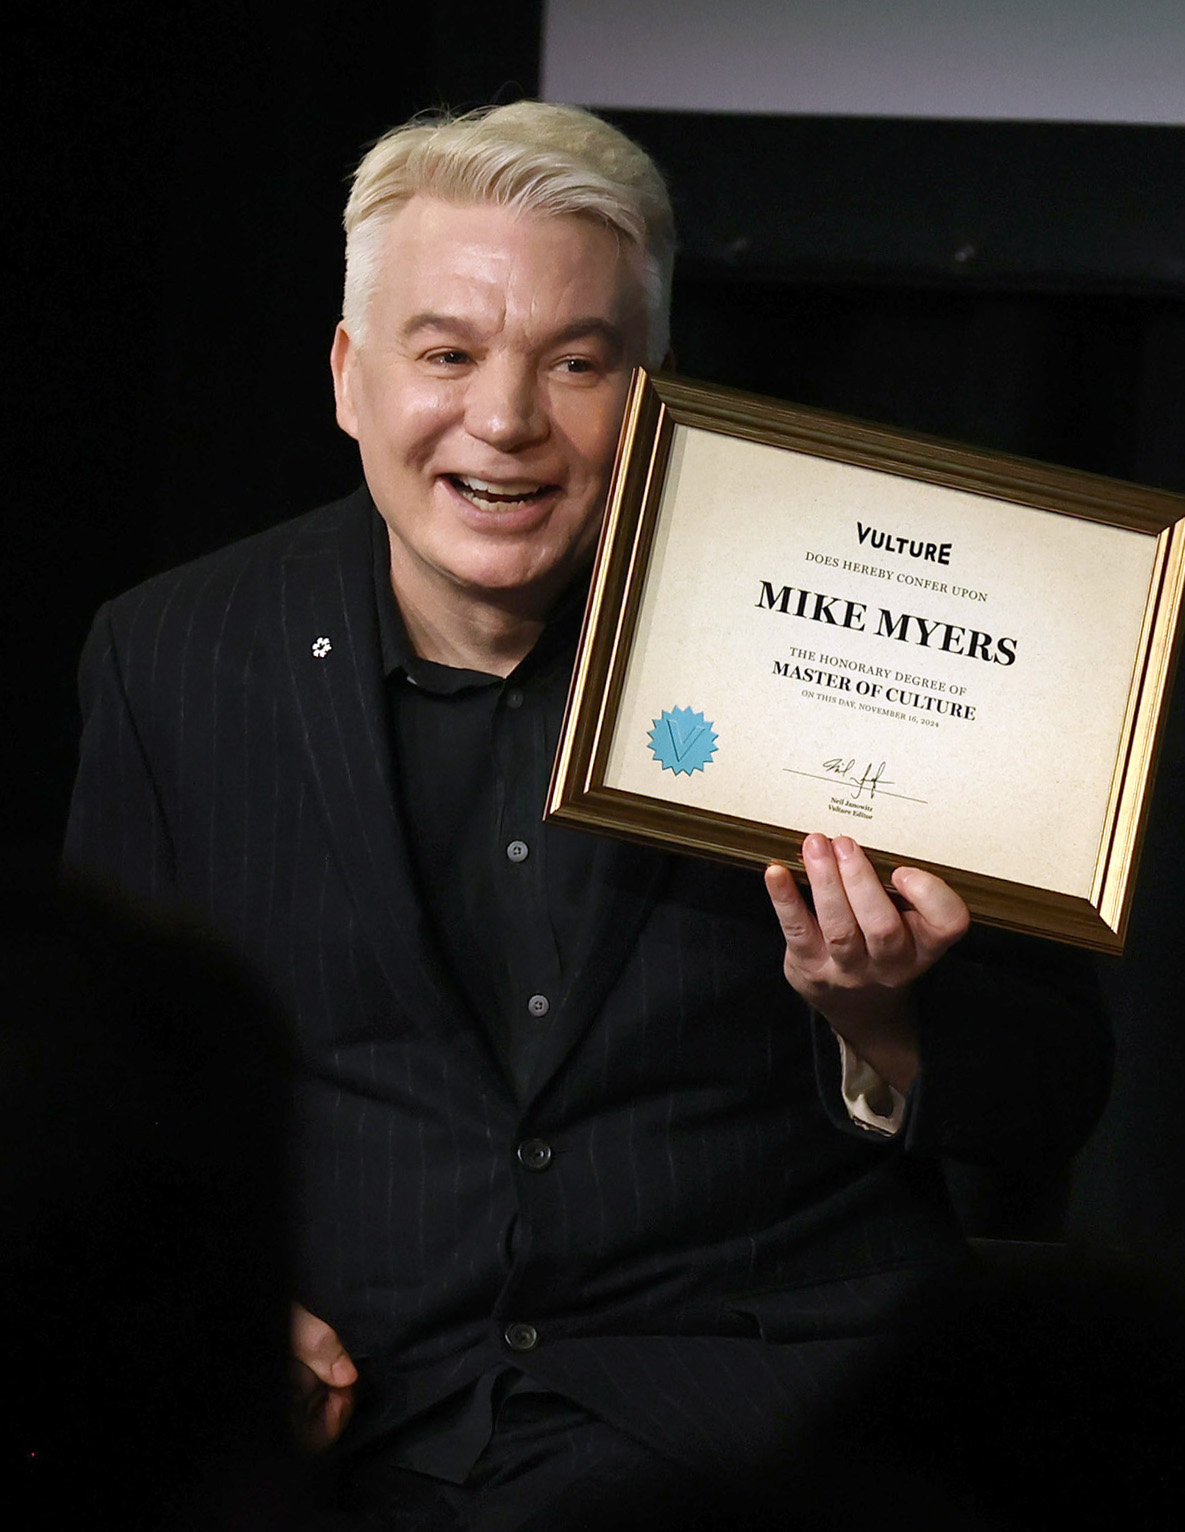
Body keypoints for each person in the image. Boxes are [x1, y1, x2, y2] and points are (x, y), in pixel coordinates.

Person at [65, 102, 1110, 1529]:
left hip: (761, 1433)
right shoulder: (172, 653)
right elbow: (102, 1093)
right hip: (353, 1424)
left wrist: (879, 1021)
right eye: (446, 354)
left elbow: (1059, 1087)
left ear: (658, 388)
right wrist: (214, 1308)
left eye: (576, 363)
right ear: (348, 376)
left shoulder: (860, 640)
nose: (503, 421)